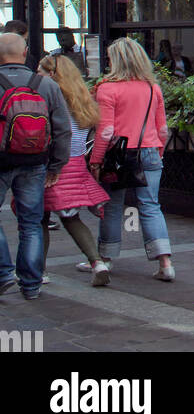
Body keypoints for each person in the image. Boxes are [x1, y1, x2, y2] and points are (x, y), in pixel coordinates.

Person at [88, 36, 175, 282]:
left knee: (112, 206)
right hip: (149, 150)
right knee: (150, 206)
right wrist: (159, 151)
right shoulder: (152, 88)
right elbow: (162, 129)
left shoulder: (107, 88)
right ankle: (165, 262)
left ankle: (105, 259)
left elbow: (105, 131)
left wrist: (95, 161)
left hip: (118, 155)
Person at [0, 31, 71, 300]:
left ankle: (4, 272)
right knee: (31, 223)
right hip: (35, 161)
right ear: (24, 52)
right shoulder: (46, 85)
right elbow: (63, 130)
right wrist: (57, 165)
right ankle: (31, 284)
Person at [36, 54, 110, 287]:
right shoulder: (83, 99)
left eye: (40, 71)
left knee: (40, 219)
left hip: (53, 165)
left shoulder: (49, 98)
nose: (36, 76)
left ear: (51, 74)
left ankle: (39, 272)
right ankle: (97, 262)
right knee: (71, 216)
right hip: (77, 164)